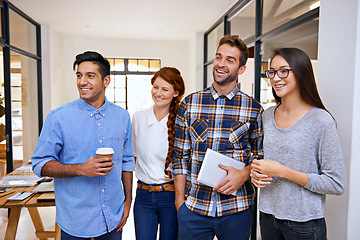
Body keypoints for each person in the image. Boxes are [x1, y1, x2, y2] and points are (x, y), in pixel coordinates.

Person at [31, 51, 135, 240]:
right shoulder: (58, 118)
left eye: (90, 75)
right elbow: (40, 164)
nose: (82, 81)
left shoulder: (122, 117)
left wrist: (128, 201)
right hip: (74, 223)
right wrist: (81, 169)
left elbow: (127, 162)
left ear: (106, 81)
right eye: (79, 75)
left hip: (113, 220)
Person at [172, 35, 263, 240]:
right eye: (219, 57)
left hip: (236, 210)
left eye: (230, 60)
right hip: (194, 208)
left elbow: (260, 157)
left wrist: (244, 174)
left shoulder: (254, 109)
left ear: (241, 69)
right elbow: (179, 157)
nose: (221, 64)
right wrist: (180, 204)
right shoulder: (190, 104)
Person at [250, 47, 346, 240]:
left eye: (284, 71)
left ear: (302, 73)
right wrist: (256, 173)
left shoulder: (321, 120)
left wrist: (283, 171)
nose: (276, 78)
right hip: (268, 216)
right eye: (272, 72)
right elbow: (263, 161)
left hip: (304, 224)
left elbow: (336, 183)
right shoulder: (266, 116)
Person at [132, 67, 185, 240]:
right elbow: (132, 157)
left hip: (170, 196)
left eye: (165, 89)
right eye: (155, 87)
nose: (158, 93)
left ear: (176, 93)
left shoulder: (181, 122)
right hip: (143, 196)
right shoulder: (138, 118)